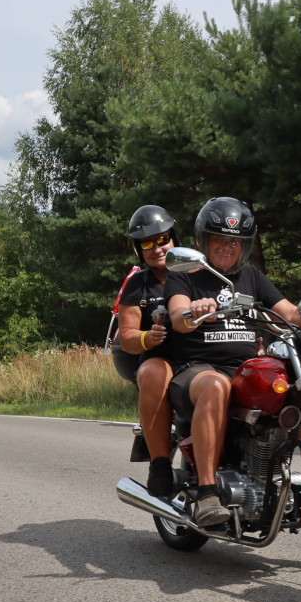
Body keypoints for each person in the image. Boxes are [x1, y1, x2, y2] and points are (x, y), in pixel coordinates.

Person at [164, 197, 301, 526]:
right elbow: (177, 315)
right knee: (216, 385)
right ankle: (206, 494)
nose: (228, 247)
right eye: (220, 238)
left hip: (243, 372)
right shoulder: (186, 274)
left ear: (244, 245)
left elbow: (287, 312)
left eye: (235, 241)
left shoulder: (252, 276)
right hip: (196, 371)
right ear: (204, 240)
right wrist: (194, 311)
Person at [116, 205, 180, 497]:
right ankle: (160, 464)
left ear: (174, 238)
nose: (157, 248)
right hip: (162, 360)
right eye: (147, 243)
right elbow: (126, 336)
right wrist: (147, 338)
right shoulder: (137, 284)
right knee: (154, 371)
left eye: (163, 239)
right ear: (138, 249)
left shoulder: (197, 273)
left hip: (204, 357)